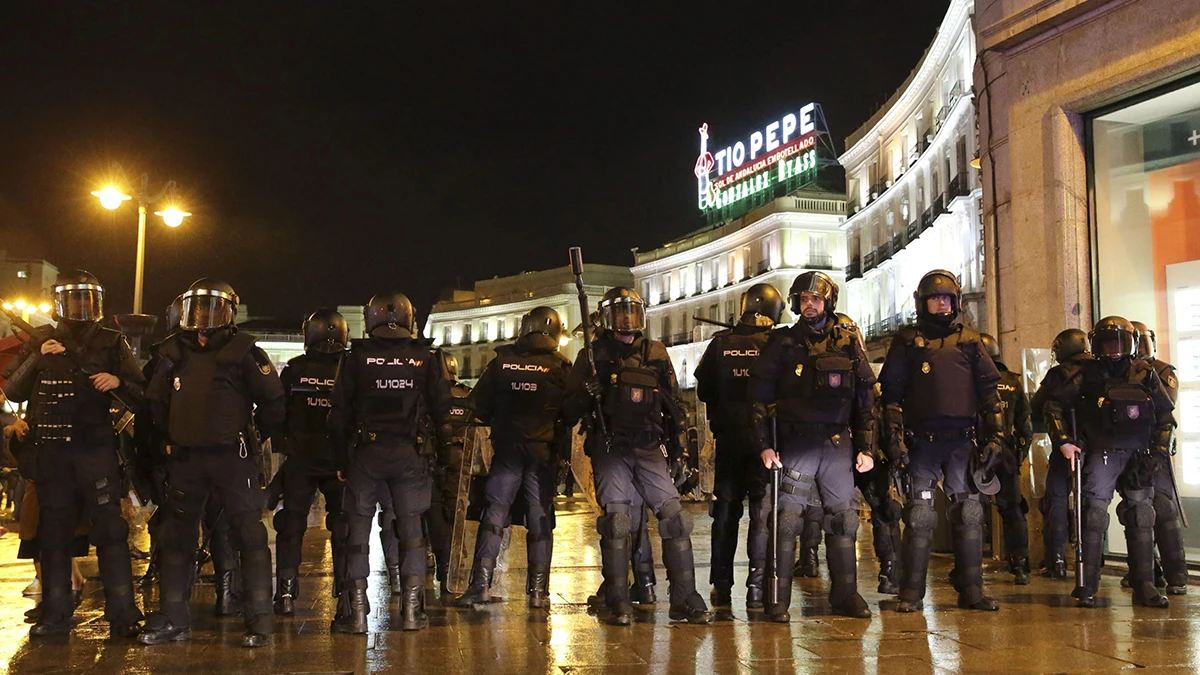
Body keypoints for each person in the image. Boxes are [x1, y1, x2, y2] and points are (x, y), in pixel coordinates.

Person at [139, 278, 285, 647]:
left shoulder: (245, 352)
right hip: (186, 459)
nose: (203, 316)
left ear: (229, 313)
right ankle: (173, 618)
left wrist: (252, 437)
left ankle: (260, 621)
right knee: (176, 537)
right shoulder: (173, 352)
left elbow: (274, 404)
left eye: (211, 308)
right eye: (197, 308)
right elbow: (155, 404)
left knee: (249, 535)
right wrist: (169, 441)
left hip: (231, 459)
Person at [2, 270, 145, 638]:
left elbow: (142, 393)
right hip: (51, 456)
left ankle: (124, 614)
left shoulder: (113, 342)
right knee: (53, 535)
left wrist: (116, 381)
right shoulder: (42, 339)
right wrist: (37, 355)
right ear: (60, 302)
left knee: (111, 532)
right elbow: (14, 391)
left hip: (95, 451)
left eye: (87, 298)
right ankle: (55, 612)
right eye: (74, 298)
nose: (81, 305)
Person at [563, 287, 712, 626]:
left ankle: (685, 598)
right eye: (621, 313)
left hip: (649, 446)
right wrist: (588, 394)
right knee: (617, 522)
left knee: (676, 519)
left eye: (633, 311)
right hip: (611, 446)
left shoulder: (655, 352)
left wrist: (679, 452)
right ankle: (618, 598)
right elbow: (568, 409)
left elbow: (673, 405)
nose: (628, 319)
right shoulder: (591, 354)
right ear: (607, 318)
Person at [748, 272, 878, 621]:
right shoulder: (782, 343)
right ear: (795, 303)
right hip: (795, 442)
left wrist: (866, 447)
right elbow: (758, 399)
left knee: (843, 521)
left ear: (828, 301)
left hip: (837, 445)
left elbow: (866, 400)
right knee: (787, 520)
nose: (810, 304)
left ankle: (846, 595)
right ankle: (779, 600)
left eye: (816, 299)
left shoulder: (848, 342)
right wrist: (764, 446)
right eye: (804, 299)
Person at [880, 269, 1005, 613]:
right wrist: (893, 437)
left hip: (961, 442)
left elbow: (989, 393)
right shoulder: (907, 341)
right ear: (923, 303)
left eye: (946, 298)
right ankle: (910, 593)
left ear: (956, 302)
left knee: (968, 512)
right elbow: (891, 396)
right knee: (919, 515)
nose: (940, 303)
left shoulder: (969, 339)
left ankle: (972, 591)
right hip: (921, 442)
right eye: (935, 299)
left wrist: (995, 435)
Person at [328, 292, 452, 634]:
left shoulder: (355, 358)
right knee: (412, 533)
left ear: (370, 320)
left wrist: (341, 460)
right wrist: (441, 455)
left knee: (357, 533)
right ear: (411, 319)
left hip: (365, 455)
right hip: (410, 455)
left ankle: (355, 616)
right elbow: (443, 412)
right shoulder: (427, 357)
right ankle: (412, 613)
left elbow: (337, 416)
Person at [1040, 317, 1175, 608]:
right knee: (1093, 517)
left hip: (1139, 455)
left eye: (1120, 343)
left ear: (1131, 344)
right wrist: (1063, 441)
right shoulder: (1084, 374)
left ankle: (1145, 585)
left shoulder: (1145, 373)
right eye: (1107, 344)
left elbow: (1166, 417)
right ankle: (1087, 585)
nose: (1114, 350)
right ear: (1096, 345)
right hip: (1101, 454)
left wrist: (1159, 451)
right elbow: (1053, 407)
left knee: (1141, 516)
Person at [455, 306, 572, 609]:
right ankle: (537, 592)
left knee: (494, 514)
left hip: (506, 450)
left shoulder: (501, 363)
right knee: (539, 519)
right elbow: (570, 413)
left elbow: (477, 406)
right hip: (541, 453)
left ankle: (480, 584)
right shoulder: (560, 367)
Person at [694, 283, 781, 610]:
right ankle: (757, 588)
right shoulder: (776, 343)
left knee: (726, 514)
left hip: (729, 440)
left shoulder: (721, 344)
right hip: (766, 444)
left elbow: (704, 392)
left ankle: (721, 586)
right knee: (762, 515)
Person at [273, 309, 350, 618]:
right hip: (339, 462)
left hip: (301, 460)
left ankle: (287, 592)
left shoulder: (293, 370)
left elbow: (277, 414)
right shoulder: (350, 370)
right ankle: (346, 591)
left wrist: (284, 444)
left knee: (291, 526)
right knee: (343, 527)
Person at [837, 313, 902, 594]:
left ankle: (889, 571)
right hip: (846, 449)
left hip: (867, 450)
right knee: (841, 513)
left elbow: (884, 413)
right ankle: (884, 574)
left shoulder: (868, 374)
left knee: (882, 510)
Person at [1030, 328, 1094, 579]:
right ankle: (1094, 557)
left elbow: (1041, 405)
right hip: (1098, 447)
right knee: (1093, 503)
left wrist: (1062, 440)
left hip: (1068, 445)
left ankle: (1056, 559)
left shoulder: (1060, 374)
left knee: (1056, 499)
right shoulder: (1101, 369)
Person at [1130, 321, 1186, 596]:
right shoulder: (1121, 372)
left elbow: (1166, 406)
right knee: (1138, 513)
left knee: (1164, 509)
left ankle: (1177, 574)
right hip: (1129, 448)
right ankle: (1146, 571)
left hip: (1156, 448)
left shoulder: (1161, 371)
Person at [979, 333, 1033, 585]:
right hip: (1007, 452)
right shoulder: (1012, 382)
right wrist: (1019, 455)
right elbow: (1026, 426)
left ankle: (968, 567)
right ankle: (1020, 564)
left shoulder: (970, 379)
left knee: (969, 510)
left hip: (975, 452)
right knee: (1013, 511)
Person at [427, 351, 473, 601]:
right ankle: (458, 557)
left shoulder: (430, 396)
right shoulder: (466, 394)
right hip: (462, 459)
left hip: (435, 458)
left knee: (434, 512)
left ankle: (445, 565)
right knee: (456, 509)